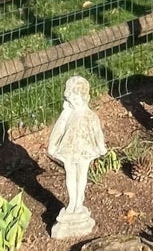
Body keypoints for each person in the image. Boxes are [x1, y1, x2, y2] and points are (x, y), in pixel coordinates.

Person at [47, 75, 107, 219]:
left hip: (85, 149)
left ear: (84, 97)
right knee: (70, 174)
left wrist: (101, 146)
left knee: (82, 175)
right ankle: (72, 201)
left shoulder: (90, 116)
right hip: (69, 148)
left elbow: (97, 131)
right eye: (70, 100)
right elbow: (58, 129)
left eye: (76, 99)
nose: (73, 102)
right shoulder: (67, 114)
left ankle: (79, 201)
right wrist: (52, 145)